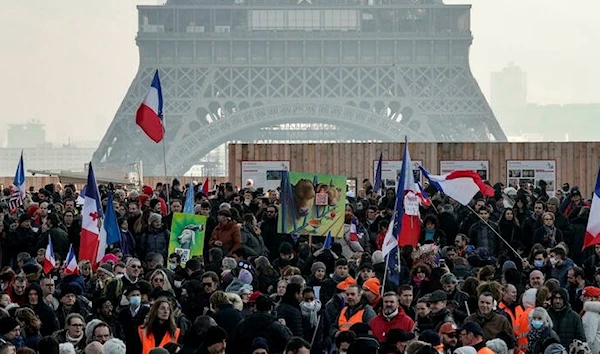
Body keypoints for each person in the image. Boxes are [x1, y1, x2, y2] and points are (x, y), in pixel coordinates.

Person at [581, 286, 600, 354]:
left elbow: (589, 337)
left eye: (585, 297)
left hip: (593, 350)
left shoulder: (591, 313)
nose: (583, 299)